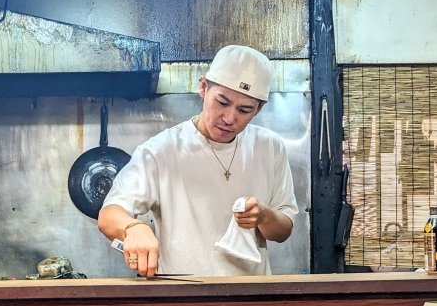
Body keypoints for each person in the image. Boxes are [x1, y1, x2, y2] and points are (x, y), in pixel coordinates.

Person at [99, 44, 298, 278]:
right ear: (203, 87)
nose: (229, 118)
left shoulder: (268, 147)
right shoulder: (161, 150)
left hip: (248, 294)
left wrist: (264, 215)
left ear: (259, 109)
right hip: (180, 294)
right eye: (222, 102)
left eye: (244, 110)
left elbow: (283, 230)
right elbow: (109, 215)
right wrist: (133, 227)